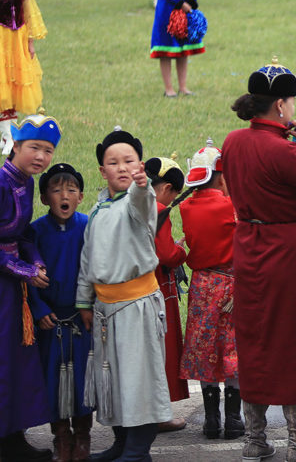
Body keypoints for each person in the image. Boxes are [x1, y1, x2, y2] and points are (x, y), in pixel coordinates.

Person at [221, 58, 296, 462]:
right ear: (283, 106)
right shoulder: (285, 150)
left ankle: (255, 441)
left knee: (255, 341)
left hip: (249, 247)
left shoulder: (234, 142)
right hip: (289, 252)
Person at [76, 127, 172, 461]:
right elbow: (87, 260)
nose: (121, 167)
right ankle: (121, 442)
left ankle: (137, 450)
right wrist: (84, 301)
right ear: (102, 171)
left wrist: (143, 186)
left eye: (128, 161)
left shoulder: (139, 203)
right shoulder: (98, 210)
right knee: (113, 381)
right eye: (113, 162)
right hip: (104, 310)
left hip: (136, 308)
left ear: (140, 166)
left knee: (138, 381)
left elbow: (141, 202)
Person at [0, 115, 60, 462]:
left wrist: (34, 261)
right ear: (16, 146)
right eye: (34, 147)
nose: (41, 156)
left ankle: (13, 436)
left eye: (48, 151)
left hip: (13, 287)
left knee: (16, 360)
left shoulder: (25, 183)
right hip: (6, 283)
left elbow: (21, 235)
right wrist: (23, 270)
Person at [27, 163, 94, 462]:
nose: (63, 195)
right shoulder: (34, 233)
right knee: (53, 381)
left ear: (80, 196)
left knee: (82, 379)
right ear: (44, 198)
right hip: (49, 321)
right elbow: (27, 276)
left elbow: (96, 270)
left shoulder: (89, 226)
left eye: (70, 190)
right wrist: (39, 308)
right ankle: (61, 438)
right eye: (56, 190)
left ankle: (83, 435)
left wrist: (90, 306)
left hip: (81, 319)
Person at [178, 140, 243, 441]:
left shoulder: (187, 207)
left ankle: (210, 419)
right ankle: (233, 419)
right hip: (232, 285)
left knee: (205, 349)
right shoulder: (232, 207)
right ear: (219, 176)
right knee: (231, 348)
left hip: (202, 285)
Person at [144, 156, 190, 431]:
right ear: (168, 188)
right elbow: (167, 254)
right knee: (164, 349)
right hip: (158, 289)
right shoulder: (159, 208)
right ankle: (159, 414)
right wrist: (183, 250)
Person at [0, 0, 47, 151]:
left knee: (15, 82)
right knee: (1, 82)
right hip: (0, 37)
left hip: (17, 37)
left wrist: (30, 40)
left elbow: (28, 6)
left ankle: (10, 132)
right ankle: (5, 133)